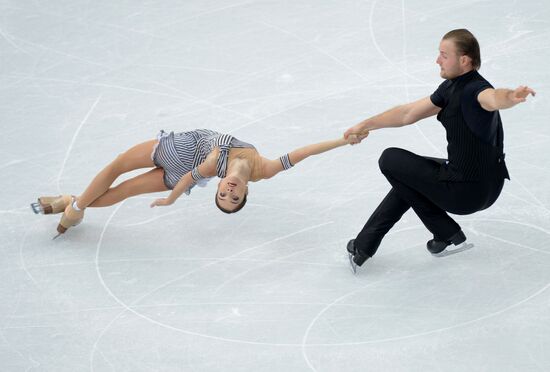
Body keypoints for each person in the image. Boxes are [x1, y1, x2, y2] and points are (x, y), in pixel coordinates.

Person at [343, 28, 536, 273]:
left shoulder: (475, 91)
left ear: (464, 60)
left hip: (465, 192)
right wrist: (365, 125)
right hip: (488, 186)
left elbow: (494, 98)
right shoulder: (452, 87)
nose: (437, 60)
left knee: (390, 159)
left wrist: (510, 96)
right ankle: (364, 247)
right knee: (409, 177)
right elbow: (407, 113)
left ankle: (446, 231)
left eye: (444, 55)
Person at [32, 128, 365, 238]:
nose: (228, 192)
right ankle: (71, 206)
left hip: (183, 157)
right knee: (119, 172)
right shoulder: (265, 169)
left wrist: (172, 199)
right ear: (246, 191)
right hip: (183, 155)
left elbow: (193, 177)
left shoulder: (212, 171)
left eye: (223, 197)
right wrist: (342, 140)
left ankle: (74, 205)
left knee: (122, 186)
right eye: (233, 198)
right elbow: (304, 153)